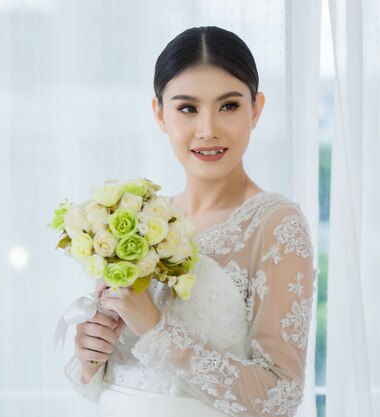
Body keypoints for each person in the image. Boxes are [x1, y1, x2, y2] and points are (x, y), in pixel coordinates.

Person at [63, 25, 317, 417]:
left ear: (257, 109)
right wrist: (91, 355)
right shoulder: (138, 220)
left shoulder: (276, 224)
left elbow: (279, 396)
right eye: (187, 108)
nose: (208, 130)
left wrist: (154, 328)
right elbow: (124, 374)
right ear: (160, 113)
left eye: (229, 106)